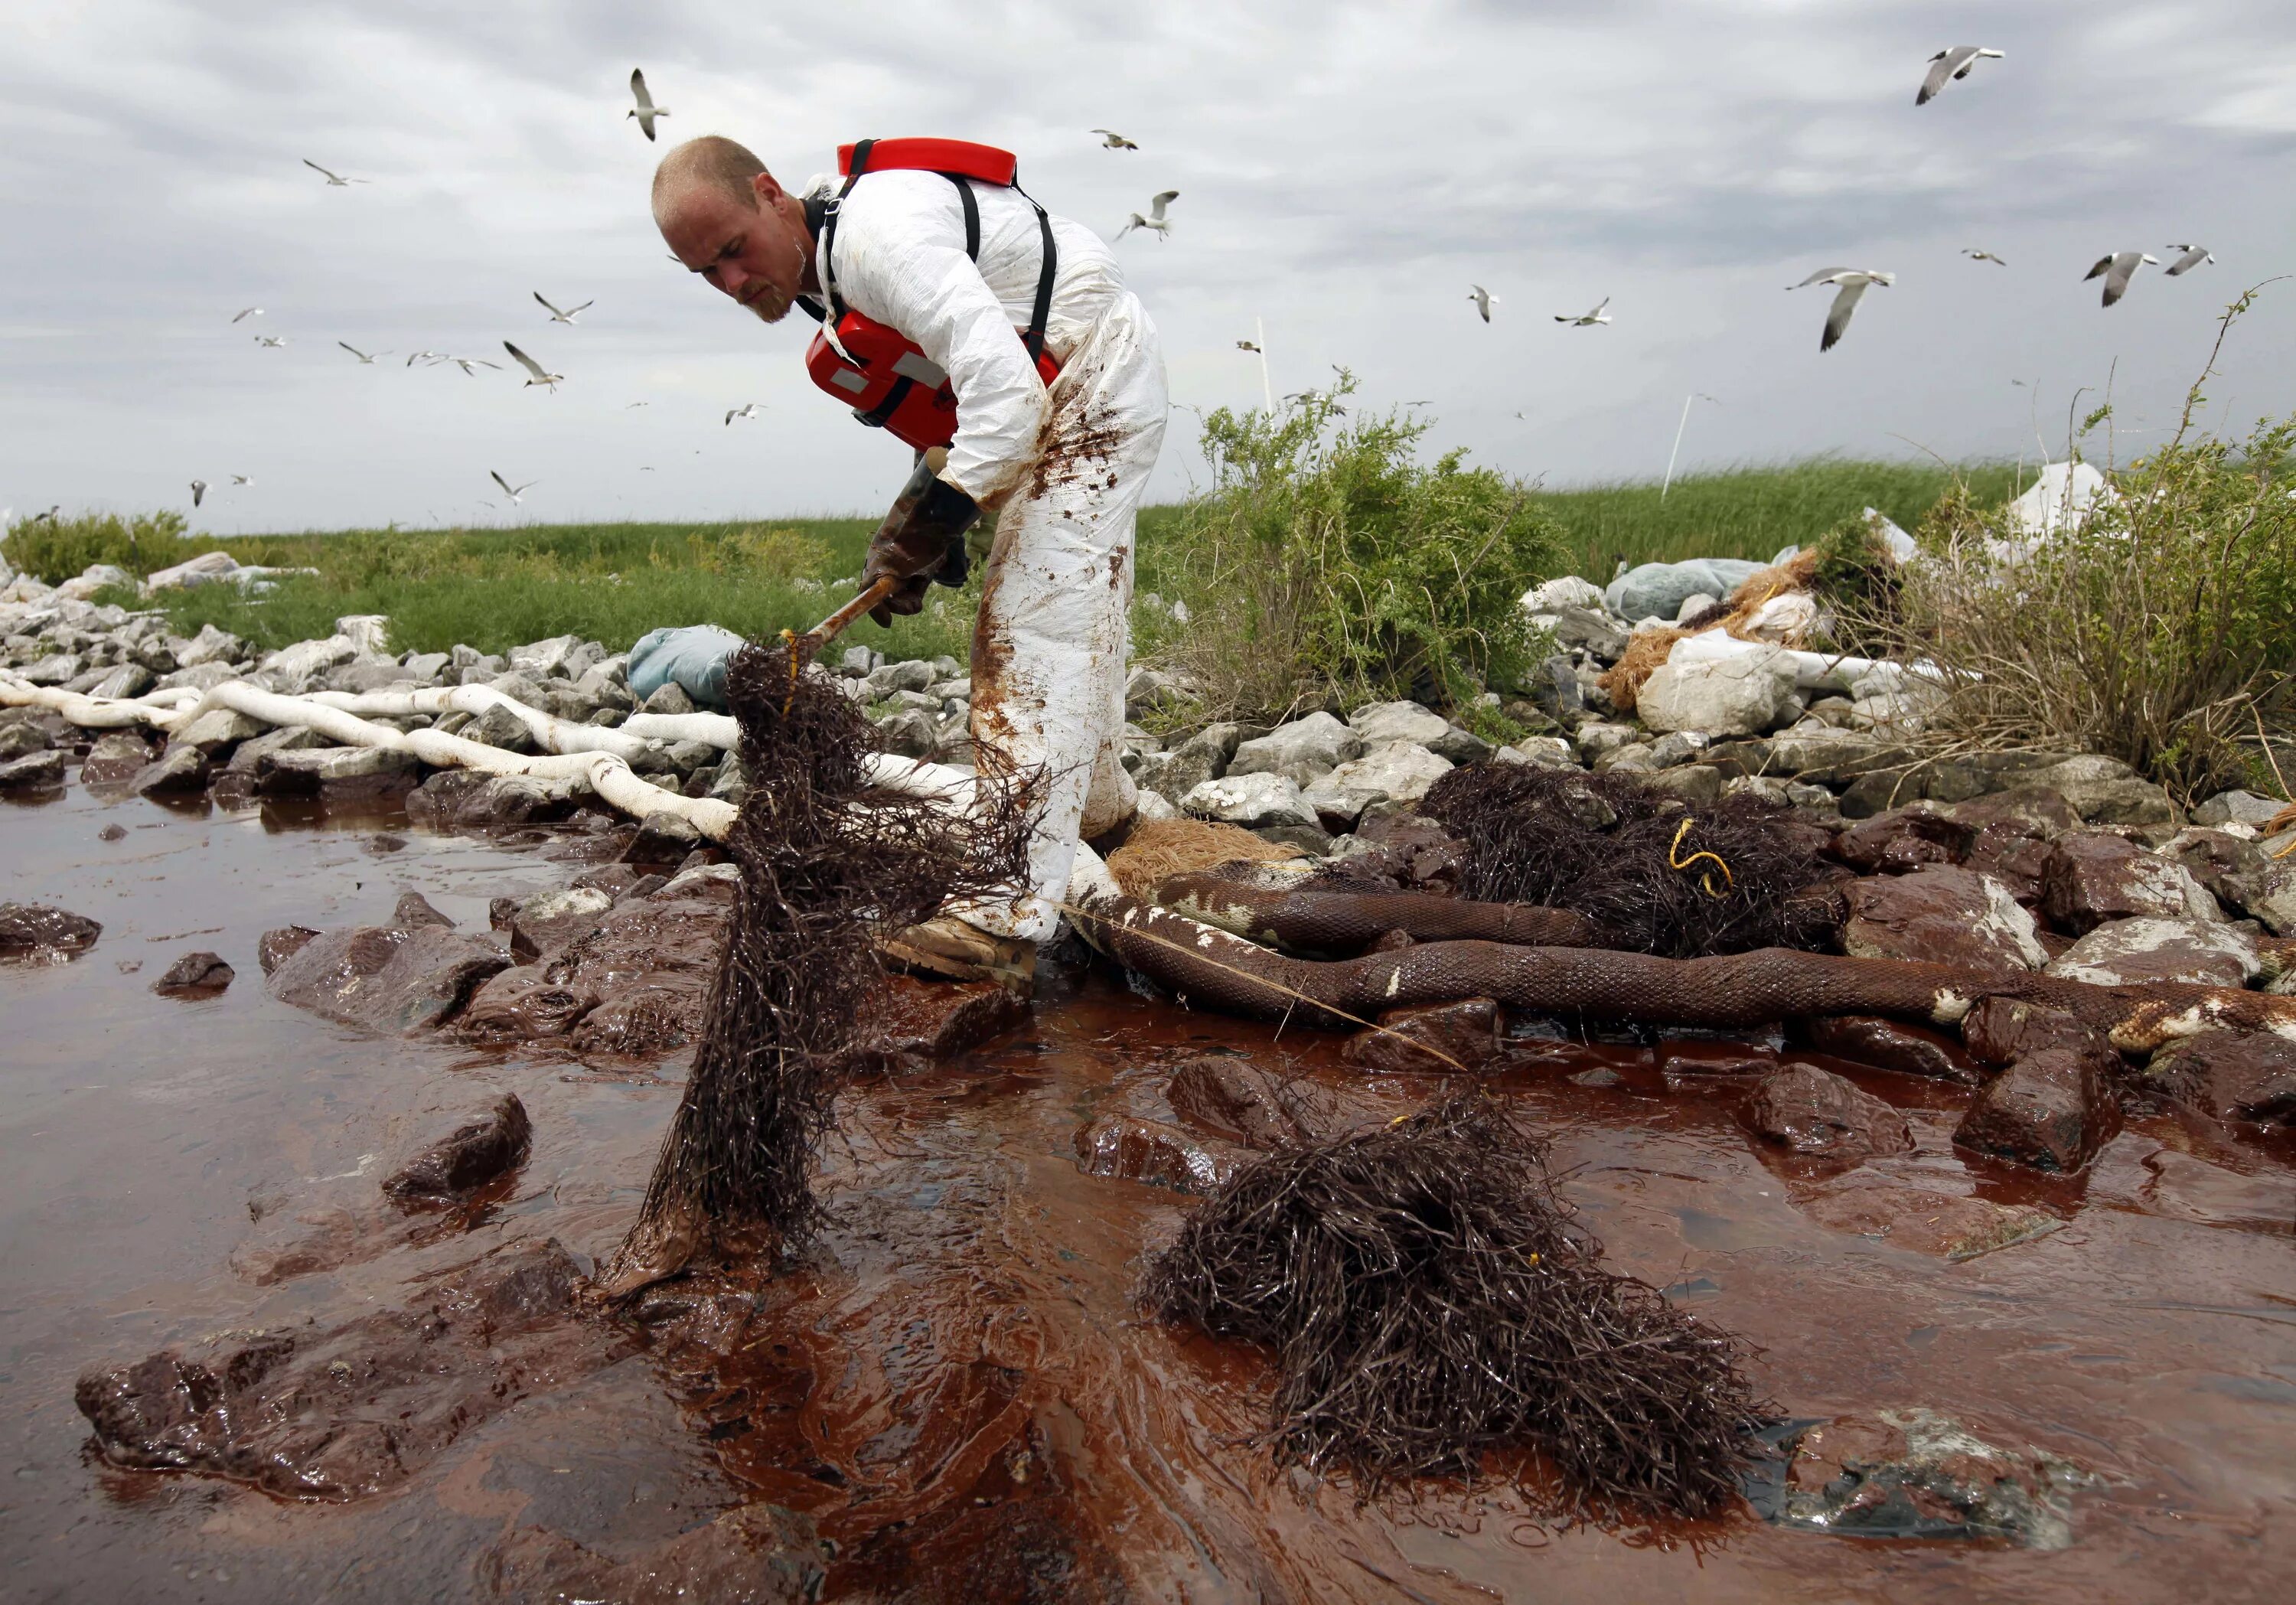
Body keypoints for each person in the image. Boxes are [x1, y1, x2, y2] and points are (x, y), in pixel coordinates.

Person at [651, 135, 1167, 993]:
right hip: (1063, 379)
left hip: (1094, 369)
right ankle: (1103, 815)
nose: (732, 284)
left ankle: (999, 920)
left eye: (734, 250)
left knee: (1031, 631)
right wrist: (928, 508)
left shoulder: (876, 242)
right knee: (1080, 612)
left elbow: (1007, 395)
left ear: (772, 196)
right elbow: (959, 400)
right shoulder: (830, 281)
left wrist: (934, 518)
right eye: (706, 273)